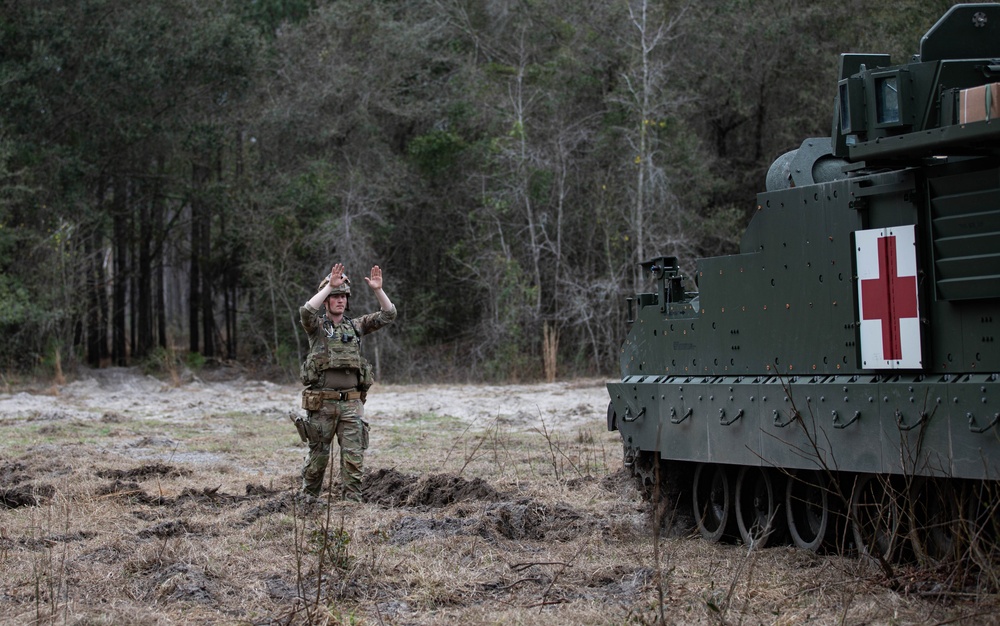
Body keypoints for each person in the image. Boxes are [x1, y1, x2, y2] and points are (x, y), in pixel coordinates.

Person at [297, 262, 396, 501]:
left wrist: (377, 290)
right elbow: (306, 312)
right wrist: (328, 286)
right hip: (322, 405)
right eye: (335, 296)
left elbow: (388, 314)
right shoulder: (318, 327)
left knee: (354, 457)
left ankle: (352, 504)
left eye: (343, 296)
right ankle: (308, 500)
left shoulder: (356, 326)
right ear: (328, 300)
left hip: (351, 404)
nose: (340, 300)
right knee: (318, 456)